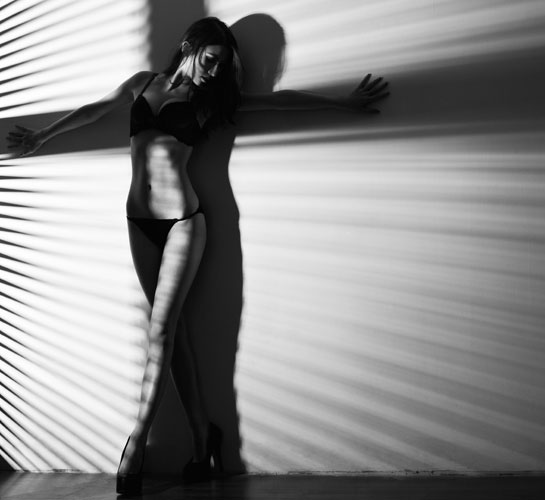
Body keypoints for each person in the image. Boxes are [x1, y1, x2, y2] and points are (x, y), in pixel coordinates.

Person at [6, 16, 389, 496]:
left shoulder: (212, 102)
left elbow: (280, 101)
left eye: (222, 66)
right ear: (190, 46)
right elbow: (93, 111)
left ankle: (136, 442)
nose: (214, 71)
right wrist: (42, 135)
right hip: (138, 222)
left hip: (184, 223)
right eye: (210, 60)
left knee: (161, 332)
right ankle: (203, 438)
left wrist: (342, 102)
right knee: (175, 335)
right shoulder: (143, 83)